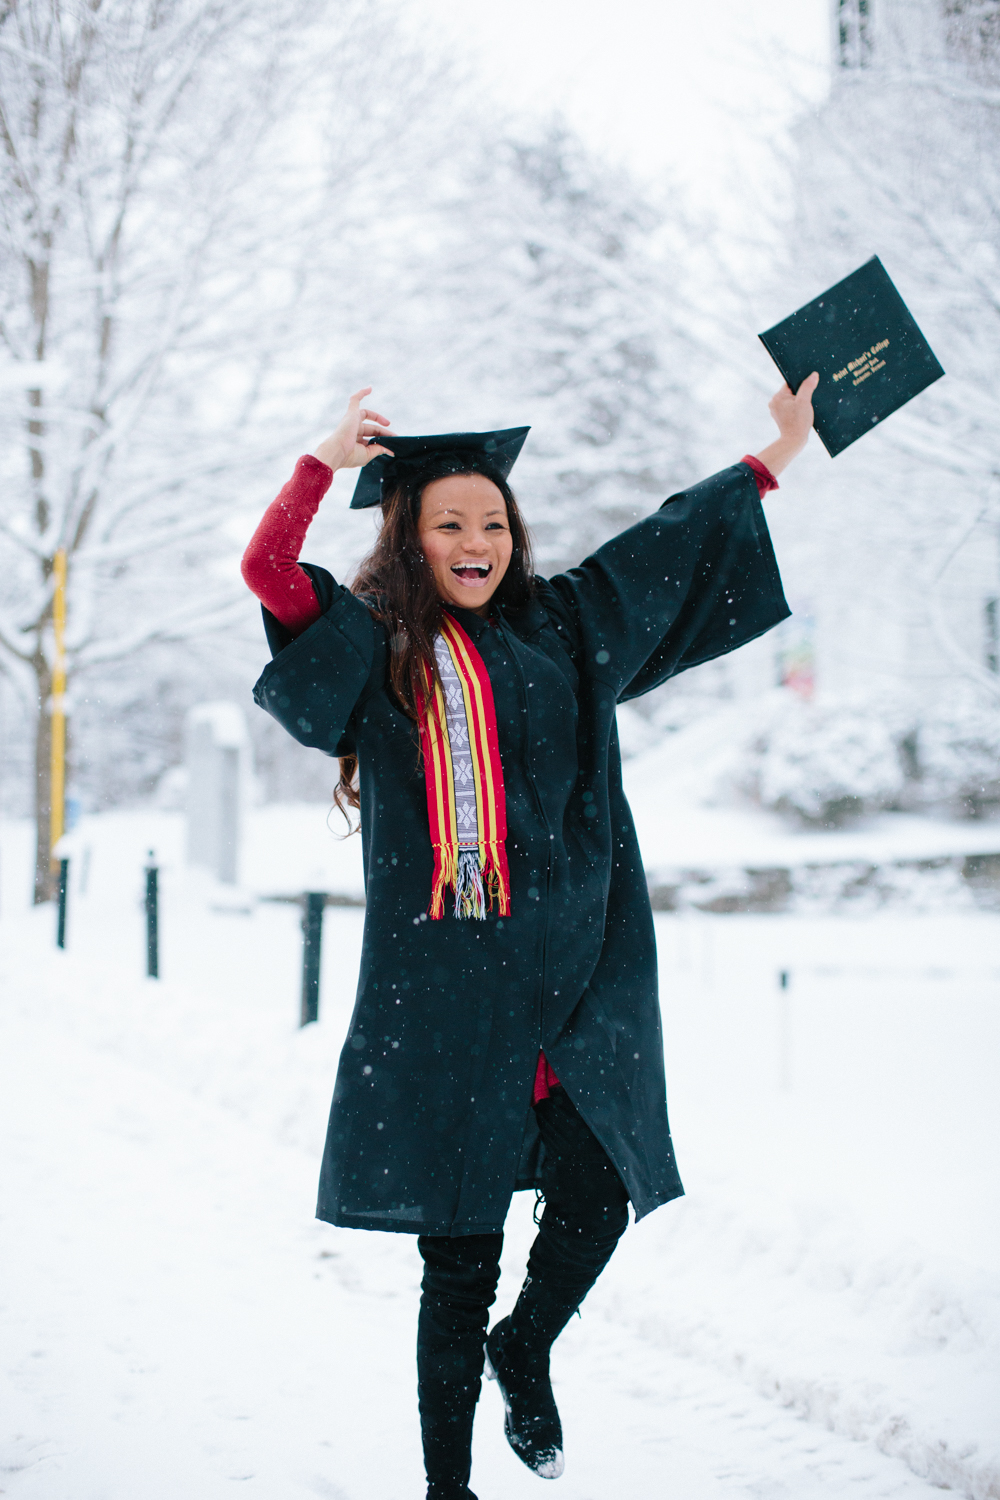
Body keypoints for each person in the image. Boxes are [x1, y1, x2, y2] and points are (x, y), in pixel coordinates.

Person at [241, 374, 818, 1500]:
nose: (476, 541)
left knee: (603, 1184)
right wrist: (321, 462)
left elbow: (671, 543)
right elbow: (268, 573)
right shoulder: (373, 647)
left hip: (573, 969)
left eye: (493, 522)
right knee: (457, 1264)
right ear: (408, 539)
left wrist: (773, 455)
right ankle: (447, 1488)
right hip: (444, 990)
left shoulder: (562, 625)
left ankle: (528, 1344)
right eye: (448, 523)